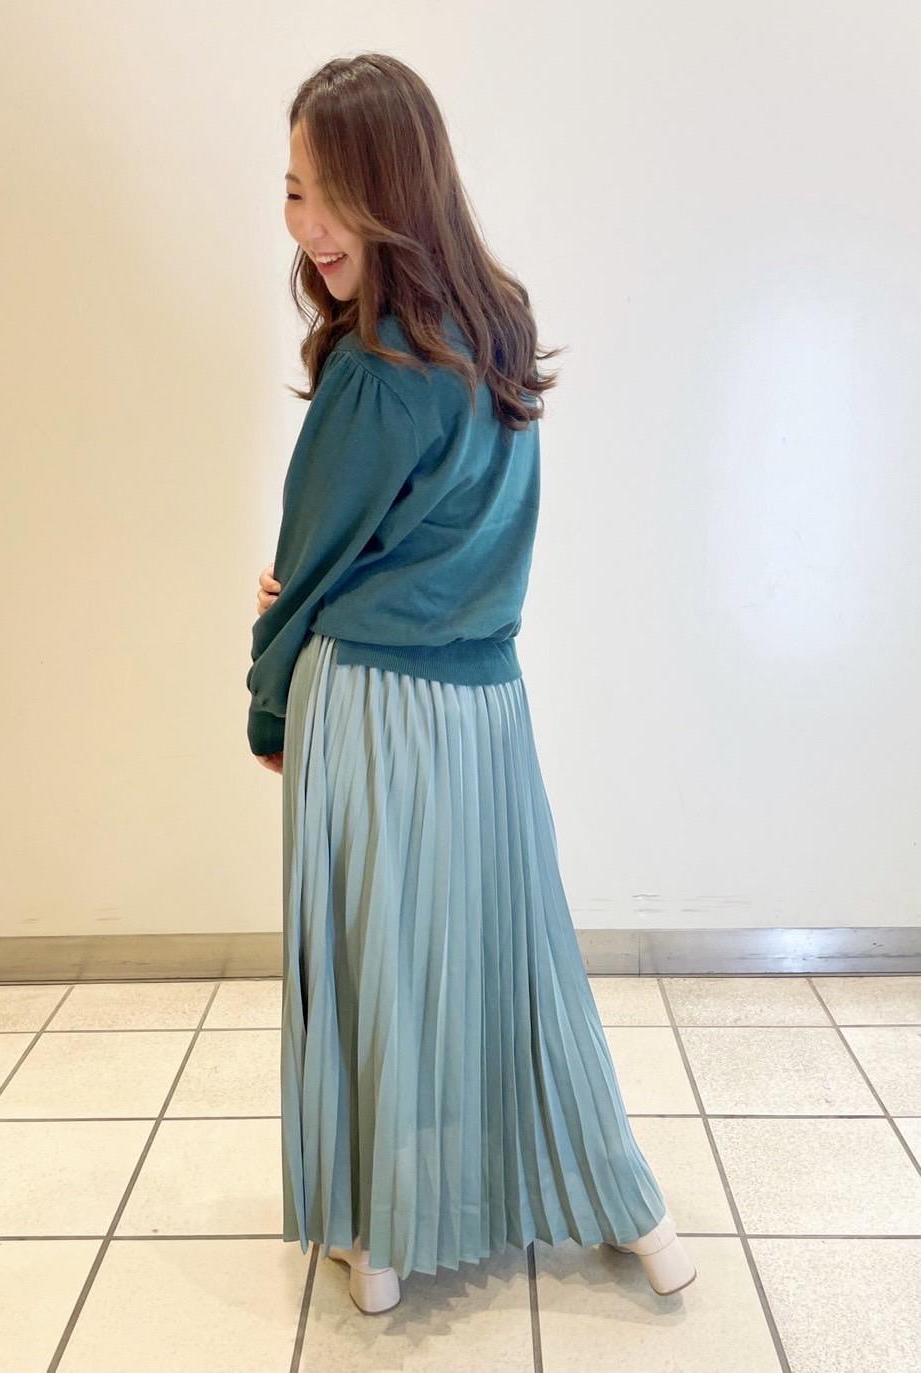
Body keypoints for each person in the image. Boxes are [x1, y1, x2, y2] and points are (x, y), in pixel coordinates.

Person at [246, 53, 696, 1315]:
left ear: (393, 189)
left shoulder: (372, 368)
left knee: (373, 965)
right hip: (487, 706)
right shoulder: (495, 322)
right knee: (510, 958)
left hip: (371, 702)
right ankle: (633, 1210)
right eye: (292, 191)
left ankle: (380, 1240)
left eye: (328, 193)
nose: (307, 225)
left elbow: (306, 568)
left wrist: (267, 698)